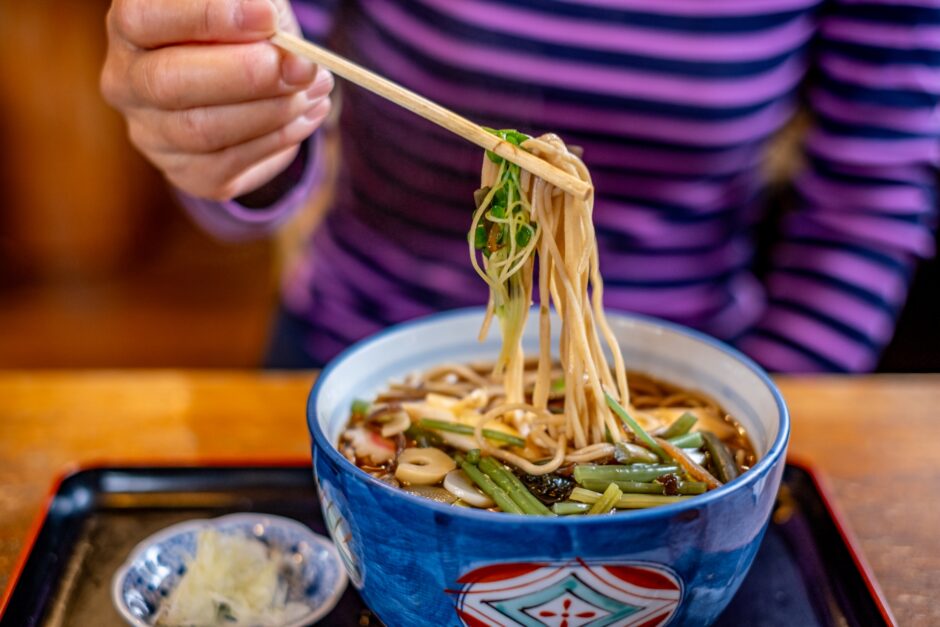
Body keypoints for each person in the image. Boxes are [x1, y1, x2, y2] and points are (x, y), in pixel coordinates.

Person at [100, 0, 940, 372]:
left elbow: (874, 178)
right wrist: (230, 124)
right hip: (351, 354)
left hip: (688, 370)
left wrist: (758, 422)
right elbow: (280, 56)